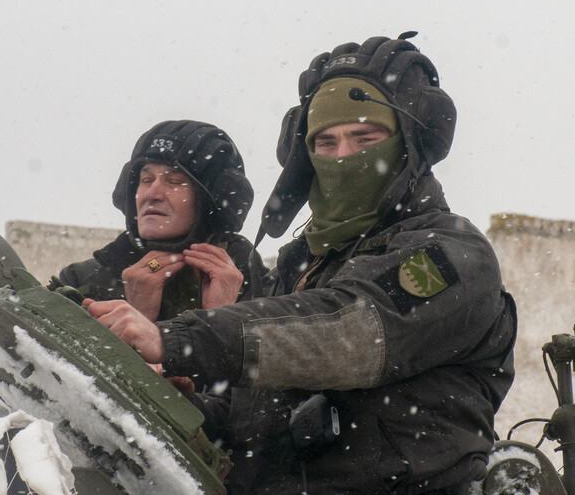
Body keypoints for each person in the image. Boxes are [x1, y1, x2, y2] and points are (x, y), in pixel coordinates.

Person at [87, 34, 517, 494]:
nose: (343, 157)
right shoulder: (302, 266)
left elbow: (349, 331)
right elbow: (257, 427)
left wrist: (174, 338)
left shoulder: (450, 254)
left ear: (409, 143)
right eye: (325, 143)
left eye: (365, 138)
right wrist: (187, 403)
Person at [50, 119, 265, 321]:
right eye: (146, 180)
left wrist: (221, 322)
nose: (152, 193)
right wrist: (135, 319)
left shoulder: (266, 292)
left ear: (213, 200)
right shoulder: (79, 283)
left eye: (175, 181)